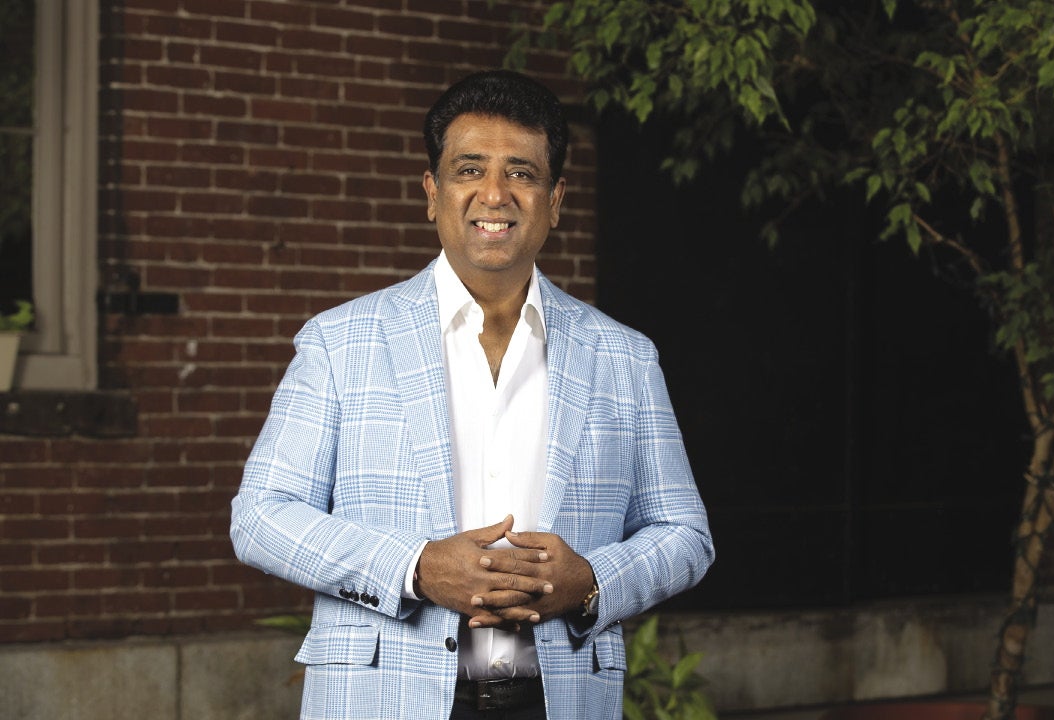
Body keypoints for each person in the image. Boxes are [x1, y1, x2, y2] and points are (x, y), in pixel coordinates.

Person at [230, 69, 714, 720]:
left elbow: (685, 535)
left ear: (556, 199)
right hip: (383, 698)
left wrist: (592, 581)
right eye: (469, 169)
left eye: (521, 172)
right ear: (432, 193)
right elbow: (260, 516)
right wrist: (417, 567)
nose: (495, 193)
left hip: (558, 698)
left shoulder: (623, 357)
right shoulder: (340, 342)